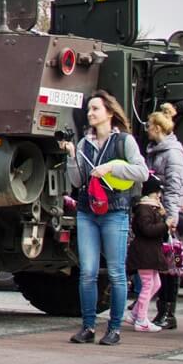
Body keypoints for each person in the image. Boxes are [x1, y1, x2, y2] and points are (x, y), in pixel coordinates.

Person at [59, 91, 147, 346]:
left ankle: (115, 328)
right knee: (87, 272)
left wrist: (112, 167)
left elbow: (142, 171)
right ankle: (88, 326)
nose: (90, 113)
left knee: (117, 272)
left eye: (95, 108)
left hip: (115, 211)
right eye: (89, 110)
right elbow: (77, 182)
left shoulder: (124, 141)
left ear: (109, 112)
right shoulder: (85, 144)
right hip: (88, 211)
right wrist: (72, 156)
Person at [143, 110, 183, 330]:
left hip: (167, 212)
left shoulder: (172, 154)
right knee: (163, 264)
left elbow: (173, 187)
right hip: (158, 210)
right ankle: (162, 309)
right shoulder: (156, 151)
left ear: (158, 128)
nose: (147, 130)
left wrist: (170, 216)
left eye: (150, 126)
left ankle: (168, 312)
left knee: (171, 265)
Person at [127, 188, 170, 332]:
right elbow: (147, 230)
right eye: (156, 191)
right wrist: (165, 225)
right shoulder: (144, 208)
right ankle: (141, 320)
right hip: (144, 252)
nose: (159, 195)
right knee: (148, 284)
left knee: (155, 284)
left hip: (150, 252)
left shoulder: (149, 208)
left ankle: (135, 315)